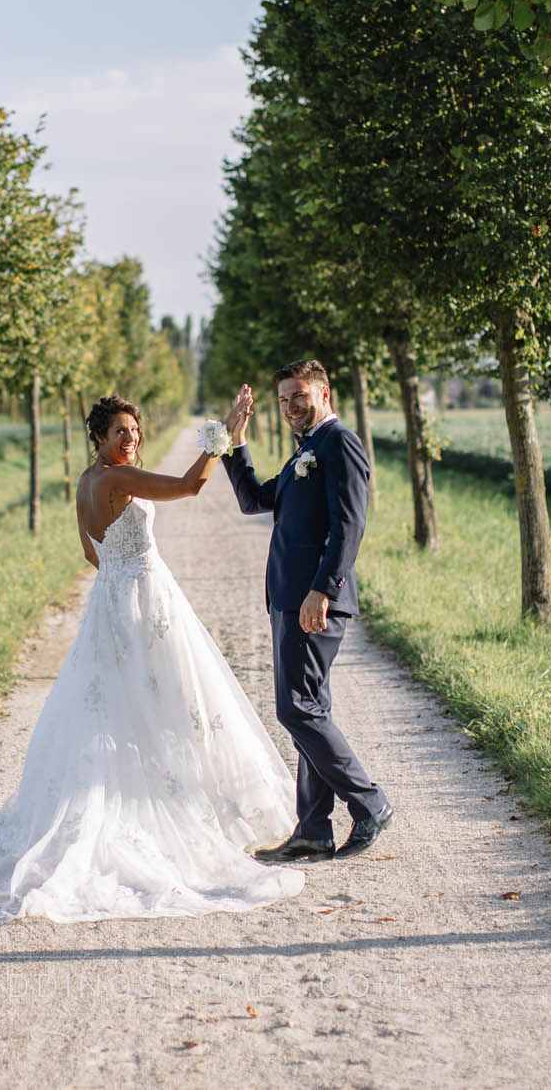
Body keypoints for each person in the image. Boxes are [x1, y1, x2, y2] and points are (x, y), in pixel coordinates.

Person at [0, 394, 305, 922]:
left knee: (125, 705)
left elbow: (89, 551)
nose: (131, 439)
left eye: (135, 429)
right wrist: (225, 437)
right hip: (145, 602)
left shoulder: (87, 480)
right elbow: (190, 485)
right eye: (119, 431)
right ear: (97, 437)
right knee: (162, 699)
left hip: (114, 601)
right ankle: (165, 813)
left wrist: (120, 572)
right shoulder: (118, 480)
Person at [222, 360, 394, 863]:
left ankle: (370, 803)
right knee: (309, 710)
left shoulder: (339, 443)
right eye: (283, 399)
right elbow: (255, 500)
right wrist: (235, 441)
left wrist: (323, 589)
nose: (291, 406)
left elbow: (349, 526)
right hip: (289, 599)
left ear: (324, 393)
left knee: (294, 708)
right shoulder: (308, 450)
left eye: (299, 395)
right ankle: (314, 828)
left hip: (314, 602)